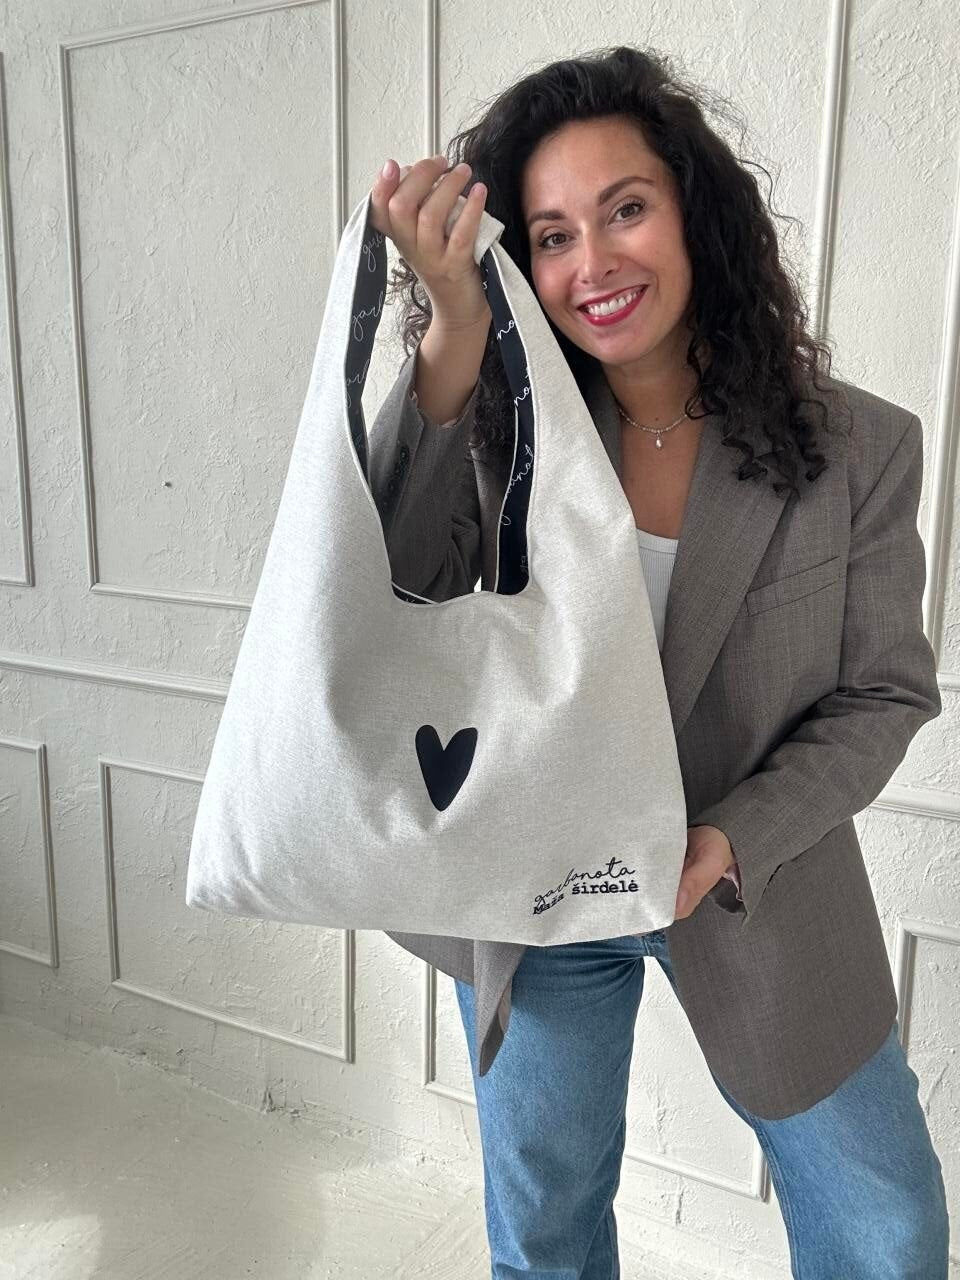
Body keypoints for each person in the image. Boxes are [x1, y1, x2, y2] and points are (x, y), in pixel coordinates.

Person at [364, 44, 949, 1280]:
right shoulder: (498, 428)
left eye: (624, 208)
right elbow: (392, 579)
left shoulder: (859, 448)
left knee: (887, 1232)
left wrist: (727, 839)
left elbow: (885, 691)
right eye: (553, 235)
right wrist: (455, 325)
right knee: (547, 1234)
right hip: (532, 883)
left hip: (755, 880)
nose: (594, 262)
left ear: (694, 212)